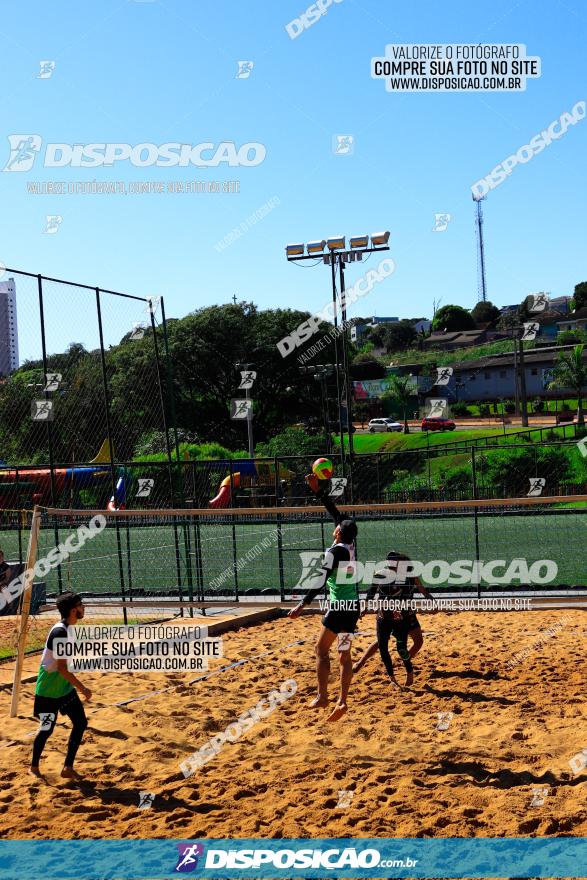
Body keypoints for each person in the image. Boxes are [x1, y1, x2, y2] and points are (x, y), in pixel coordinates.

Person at [288, 473, 359, 722]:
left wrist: (301, 604)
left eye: (337, 526)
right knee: (344, 654)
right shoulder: (351, 546)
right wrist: (317, 490)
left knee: (320, 649)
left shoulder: (334, 552)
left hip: (339, 607)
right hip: (353, 605)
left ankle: (322, 696)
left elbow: (319, 581)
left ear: (338, 533)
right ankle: (342, 701)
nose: (335, 525)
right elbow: (334, 511)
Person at [30, 591, 91, 779]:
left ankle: (67, 767)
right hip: (48, 690)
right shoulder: (60, 632)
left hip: (63, 689)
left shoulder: (69, 629)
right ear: (73, 610)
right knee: (46, 728)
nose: (83, 608)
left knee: (80, 723)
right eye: (81, 605)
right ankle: (33, 767)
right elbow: (63, 669)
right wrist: (83, 688)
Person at [354, 551, 436, 687]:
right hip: (387, 615)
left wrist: (432, 602)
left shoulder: (410, 575)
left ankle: (404, 662)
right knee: (381, 642)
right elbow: (371, 592)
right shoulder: (381, 575)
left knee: (417, 642)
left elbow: (423, 590)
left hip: (406, 614)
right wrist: (366, 607)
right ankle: (361, 661)